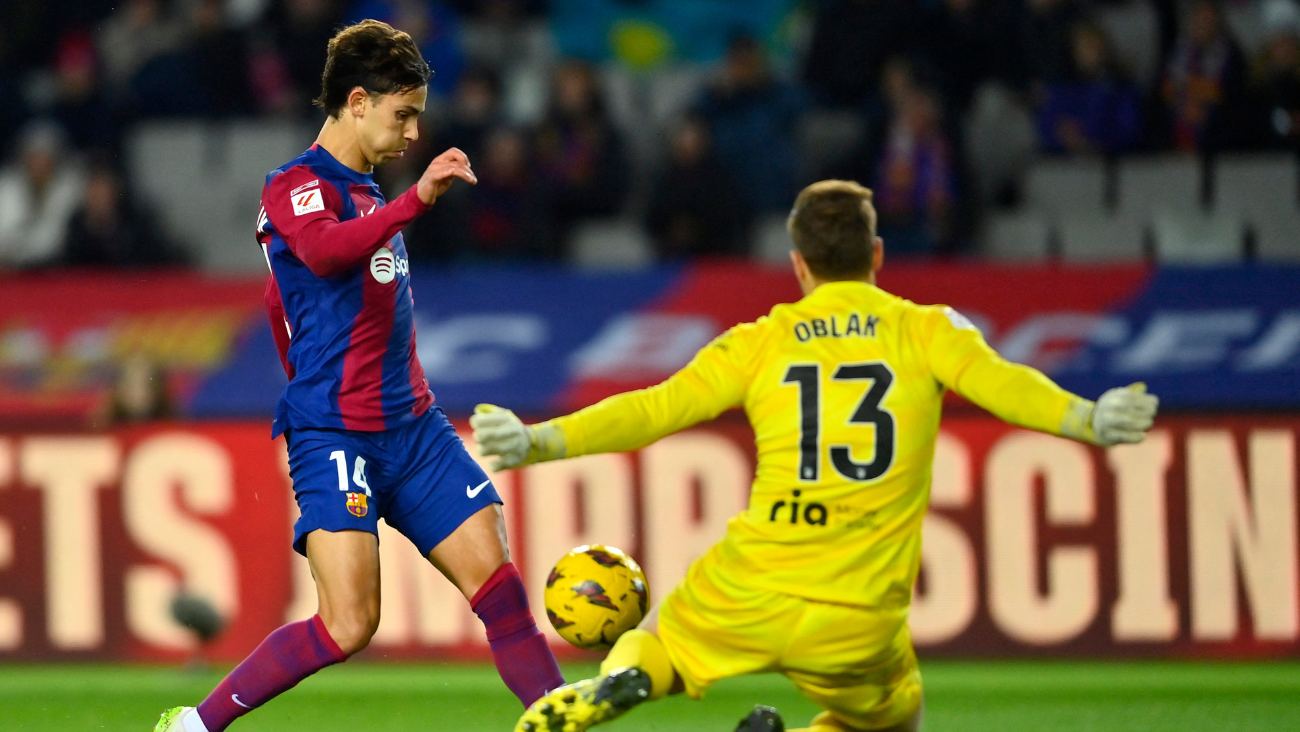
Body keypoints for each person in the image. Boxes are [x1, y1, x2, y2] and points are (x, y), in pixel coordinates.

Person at [472, 179, 1159, 732]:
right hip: (857, 611)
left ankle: (631, 679)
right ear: (878, 255)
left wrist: (538, 440)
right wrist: (1090, 418)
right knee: (895, 719)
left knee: (660, 643)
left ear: (797, 263)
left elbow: (654, 408)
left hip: (750, 584)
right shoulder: (926, 331)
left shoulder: (761, 340)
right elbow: (1006, 386)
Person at [153, 20, 564, 732]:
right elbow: (319, 253)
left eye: (417, 119)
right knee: (348, 624)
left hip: (415, 429)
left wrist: (399, 205)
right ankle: (194, 726)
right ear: (356, 102)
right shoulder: (295, 186)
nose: (412, 134)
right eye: (402, 114)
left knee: (501, 593)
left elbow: (300, 300)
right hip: (335, 432)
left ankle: (567, 722)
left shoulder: (372, 196)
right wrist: (416, 202)